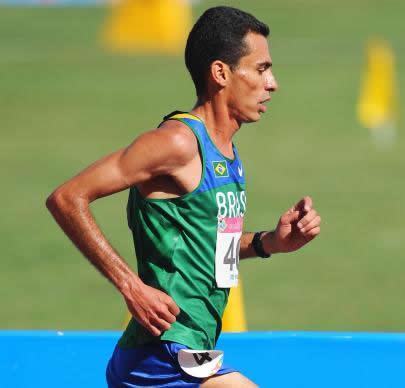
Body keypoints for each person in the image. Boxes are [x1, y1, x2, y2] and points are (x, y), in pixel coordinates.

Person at [46, 6, 321, 387]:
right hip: (160, 356)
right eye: (260, 69)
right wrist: (130, 286)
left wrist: (269, 242)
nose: (272, 83)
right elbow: (66, 198)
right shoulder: (176, 143)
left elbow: (203, 246)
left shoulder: (226, 154)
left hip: (189, 352)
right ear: (221, 73)